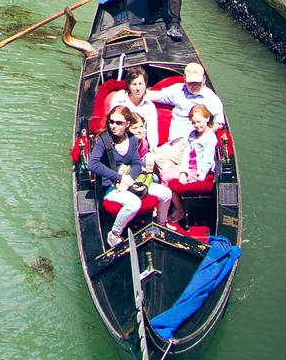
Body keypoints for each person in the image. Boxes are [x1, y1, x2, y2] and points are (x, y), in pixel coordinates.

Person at [87, 104, 174, 249]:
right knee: (134, 203)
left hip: (129, 182)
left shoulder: (132, 139)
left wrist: (129, 179)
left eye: (118, 123)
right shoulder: (104, 140)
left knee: (166, 193)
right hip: (110, 186)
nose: (114, 125)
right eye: (111, 121)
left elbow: (136, 164)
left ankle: (161, 224)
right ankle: (114, 234)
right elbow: (93, 164)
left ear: (127, 124)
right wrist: (120, 178)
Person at [158, 103, 218, 226]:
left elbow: (207, 161)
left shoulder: (210, 137)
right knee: (163, 173)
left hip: (198, 171)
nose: (197, 125)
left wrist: (198, 179)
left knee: (166, 178)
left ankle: (178, 210)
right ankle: (166, 207)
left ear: (207, 118)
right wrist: (183, 172)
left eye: (199, 121)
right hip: (190, 167)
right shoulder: (192, 134)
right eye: (194, 122)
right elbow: (186, 154)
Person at [166, 61, 226, 140]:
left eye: (197, 82)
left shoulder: (212, 99)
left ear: (204, 79)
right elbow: (151, 95)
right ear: (184, 80)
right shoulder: (177, 90)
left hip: (197, 141)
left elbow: (219, 124)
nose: (194, 86)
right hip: (176, 139)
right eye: (191, 82)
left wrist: (200, 136)